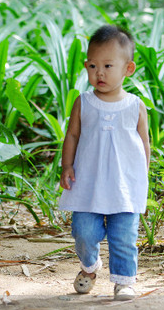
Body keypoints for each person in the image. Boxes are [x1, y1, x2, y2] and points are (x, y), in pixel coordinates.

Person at [58, 24, 150, 301]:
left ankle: (124, 281)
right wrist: (67, 166)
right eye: (93, 66)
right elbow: (72, 135)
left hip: (124, 186)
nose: (99, 73)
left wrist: (142, 180)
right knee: (83, 231)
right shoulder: (83, 102)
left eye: (108, 65)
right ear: (86, 66)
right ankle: (90, 265)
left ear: (128, 69)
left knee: (124, 237)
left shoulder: (135, 105)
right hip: (88, 184)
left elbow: (144, 144)